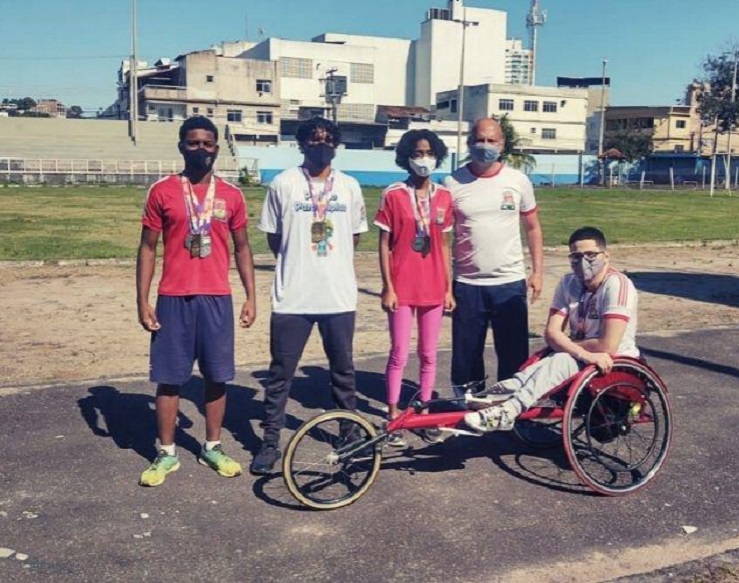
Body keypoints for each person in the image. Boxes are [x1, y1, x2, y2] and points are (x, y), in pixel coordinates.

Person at [136, 115, 257, 487]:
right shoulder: (162, 191)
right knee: (169, 378)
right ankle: (166, 453)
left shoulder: (232, 195)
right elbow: (147, 248)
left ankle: (212, 447)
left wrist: (251, 296)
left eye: (207, 143)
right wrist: (142, 300)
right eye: (193, 142)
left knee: (217, 376)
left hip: (216, 297)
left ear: (217, 149)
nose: (201, 149)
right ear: (181, 146)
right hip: (173, 297)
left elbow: (242, 248)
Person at [250, 117, 368, 475]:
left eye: (329, 139)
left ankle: (349, 435)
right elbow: (275, 238)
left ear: (337, 145)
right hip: (293, 296)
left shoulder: (349, 186)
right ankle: (270, 441)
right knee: (280, 374)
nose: (322, 144)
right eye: (314, 139)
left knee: (343, 373)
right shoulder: (283, 183)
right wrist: (299, 260)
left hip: (337, 296)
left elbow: (353, 237)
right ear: (301, 144)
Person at [465, 226, 639, 432]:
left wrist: (571, 347)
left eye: (591, 255)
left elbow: (608, 345)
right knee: (548, 360)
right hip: (582, 356)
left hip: (614, 361)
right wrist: (581, 352)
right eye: (576, 257)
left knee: (561, 359)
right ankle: (501, 393)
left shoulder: (617, 285)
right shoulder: (568, 282)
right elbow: (552, 333)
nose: (583, 262)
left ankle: (509, 410)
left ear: (606, 256)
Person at [444, 117, 544, 394]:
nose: (485, 146)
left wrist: (537, 271)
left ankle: (510, 406)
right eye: (479, 140)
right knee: (466, 355)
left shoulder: (518, 181)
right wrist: (446, 285)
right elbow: (443, 240)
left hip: (509, 283)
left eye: (491, 141)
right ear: (469, 143)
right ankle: (467, 403)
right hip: (468, 284)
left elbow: (533, 227)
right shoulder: (452, 183)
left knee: (513, 354)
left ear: (502, 144)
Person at [373, 129, 455, 446]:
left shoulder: (444, 196)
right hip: (402, 287)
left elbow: (444, 246)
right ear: (407, 157)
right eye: (418, 153)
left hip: (433, 287)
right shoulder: (393, 194)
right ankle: (393, 415)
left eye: (429, 153)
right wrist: (388, 287)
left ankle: (424, 412)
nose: (424, 159)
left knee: (429, 354)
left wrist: (448, 289)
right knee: (399, 352)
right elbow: (384, 244)